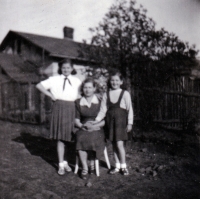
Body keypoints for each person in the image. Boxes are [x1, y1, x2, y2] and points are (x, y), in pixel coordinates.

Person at [36, 59, 81, 175]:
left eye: (68, 68)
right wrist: (50, 95)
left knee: (69, 137)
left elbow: (81, 94)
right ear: (60, 68)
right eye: (64, 67)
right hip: (59, 107)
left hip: (72, 108)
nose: (66, 70)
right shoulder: (54, 79)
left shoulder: (76, 81)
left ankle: (66, 162)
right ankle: (61, 164)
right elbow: (39, 85)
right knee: (61, 137)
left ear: (72, 68)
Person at [95, 71, 133, 175]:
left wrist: (130, 123)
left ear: (121, 82)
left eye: (117, 80)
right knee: (113, 145)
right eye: (112, 80)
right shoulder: (106, 94)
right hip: (110, 122)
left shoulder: (125, 93)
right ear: (109, 81)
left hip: (121, 122)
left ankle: (124, 166)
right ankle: (117, 166)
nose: (114, 82)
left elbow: (130, 109)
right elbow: (103, 110)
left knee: (119, 144)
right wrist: (97, 120)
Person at [75, 78, 105, 180]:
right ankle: (84, 168)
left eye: (90, 87)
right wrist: (82, 126)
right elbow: (76, 119)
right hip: (83, 127)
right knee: (80, 138)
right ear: (82, 89)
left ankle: (92, 164)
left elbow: (105, 120)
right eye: (85, 87)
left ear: (94, 88)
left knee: (94, 138)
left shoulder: (100, 101)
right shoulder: (78, 102)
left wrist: (96, 126)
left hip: (98, 127)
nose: (87, 90)